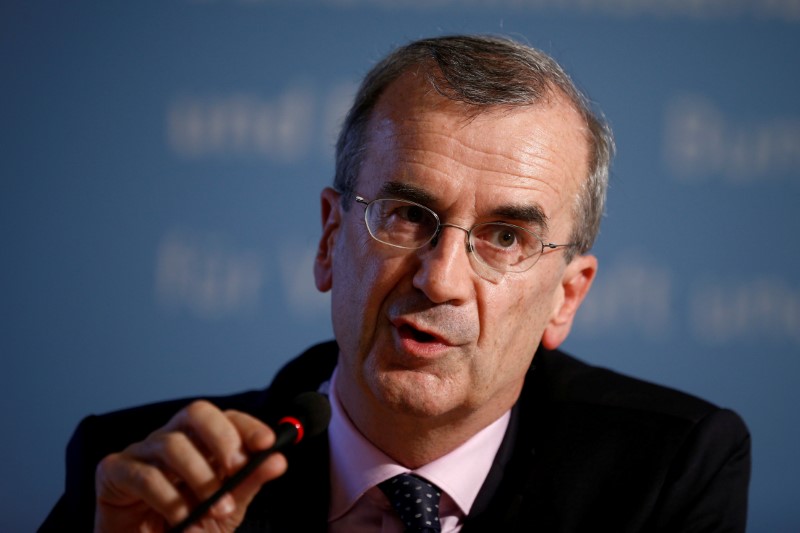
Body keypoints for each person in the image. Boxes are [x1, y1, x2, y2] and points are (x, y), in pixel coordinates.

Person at [41, 35, 750, 532]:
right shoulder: (137, 478)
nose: (440, 278)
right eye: (409, 216)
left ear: (565, 296)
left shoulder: (666, 471)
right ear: (329, 238)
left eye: (505, 237)